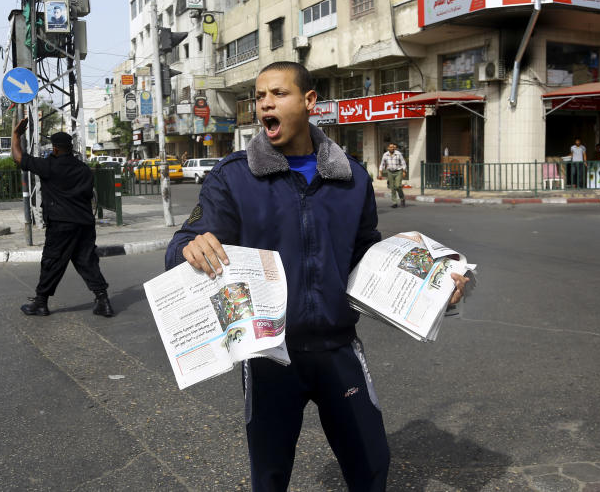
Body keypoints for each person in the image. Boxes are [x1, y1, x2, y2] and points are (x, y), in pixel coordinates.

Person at [165, 61, 466, 491]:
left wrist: (437, 289)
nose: (265, 103)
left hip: (336, 348)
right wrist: (188, 249)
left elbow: (367, 257)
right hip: (269, 356)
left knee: (371, 467)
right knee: (269, 477)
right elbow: (184, 244)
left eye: (278, 93)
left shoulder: (353, 179)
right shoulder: (234, 178)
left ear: (309, 102)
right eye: (259, 96)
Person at [11, 118, 113, 318]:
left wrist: (16, 135)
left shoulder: (50, 166)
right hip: (84, 224)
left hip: (61, 225)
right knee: (87, 261)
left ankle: (41, 303)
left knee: (52, 261)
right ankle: (103, 301)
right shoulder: (83, 169)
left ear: (56, 149)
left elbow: (18, 157)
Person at [379, 142, 407, 208]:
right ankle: (394, 202)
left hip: (398, 171)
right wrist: (380, 172)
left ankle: (402, 198)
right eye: (390, 147)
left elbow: (403, 162)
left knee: (398, 186)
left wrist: (404, 171)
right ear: (388, 148)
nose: (392, 148)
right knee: (392, 188)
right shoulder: (385, 155)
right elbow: (382, 164)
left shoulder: (398, 154)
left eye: (393, 147)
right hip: (390, 172)